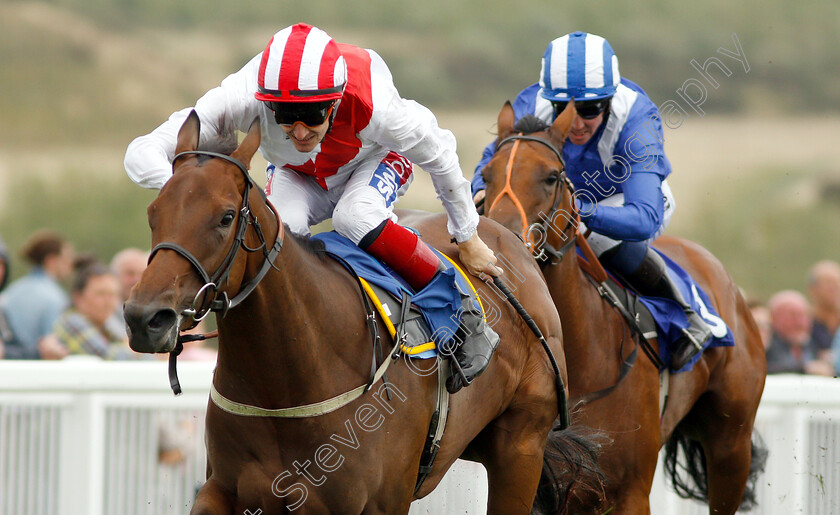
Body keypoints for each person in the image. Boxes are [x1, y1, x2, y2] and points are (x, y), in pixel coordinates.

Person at [124, 23, 500, 392]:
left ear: (336, 101)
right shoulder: (241, 96)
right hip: (298, 173)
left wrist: (467, 236)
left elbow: (441, 154)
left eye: (314, 115)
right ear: (267, 101)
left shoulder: (377, 107)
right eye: (285, 117)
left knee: (356, 215)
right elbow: (141, 152)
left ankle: (460, 308)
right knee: (280, 237)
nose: (300, 131)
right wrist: (192, 191)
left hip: (375, 160)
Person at [471, 31, 710, 370]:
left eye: (590, 109)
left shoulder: (636, 118)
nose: (578, 122)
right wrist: (477, 192)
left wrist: (580, 211)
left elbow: (644, 218)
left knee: (596, 239)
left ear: (610, 100)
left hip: (619, 204)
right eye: (565, 108)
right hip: (548, 198)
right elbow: (489, 165)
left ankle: (686, 315)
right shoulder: (531, 102)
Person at [0, 230, 73, 360]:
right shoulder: (55, 297)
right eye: (66, 259)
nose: (70, 265)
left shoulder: (12, 290)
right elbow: (53, 343)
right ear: (51, 260)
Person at [53, 262, 139, 360]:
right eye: (101, 294)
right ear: (78, 298)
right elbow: (108, 357)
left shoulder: (106, 324)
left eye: (113, 294)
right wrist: (135, 349)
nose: (109, 302)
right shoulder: (71, 322)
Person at [765, 290, 832, 376]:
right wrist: (805, 369)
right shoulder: (766, 346)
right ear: (774, 318)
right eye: (793, 316)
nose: (800, 323)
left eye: (804, 316)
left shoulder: (815, 345)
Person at [807, 260, 840, 362]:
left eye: (837, 283)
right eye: (828, 283)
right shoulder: (804, 324)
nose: (834, 288)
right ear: (812, 289)